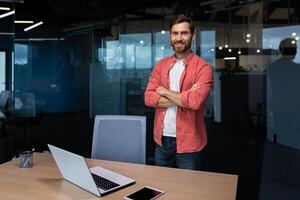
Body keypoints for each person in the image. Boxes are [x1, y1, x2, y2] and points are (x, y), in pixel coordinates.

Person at [144, 14, 213, 170]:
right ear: (170, 36)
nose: (179, 38)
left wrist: (163, 91)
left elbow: (196, 102)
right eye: (175, 33)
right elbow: (148, 98)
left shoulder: (203, 68)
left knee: (188, 190)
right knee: (160, 187)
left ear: (193, 36)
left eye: (184, 33)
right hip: (161, 139)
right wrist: (186, 96)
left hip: (189, 142)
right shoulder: (160, 65)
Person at [267, 38, 300, 148]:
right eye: (295, 49)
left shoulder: (273, 67)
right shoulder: (296, 69)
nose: (296, 51)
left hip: (278, 107)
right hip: (292, 109)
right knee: (291, 139)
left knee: (281, 135)